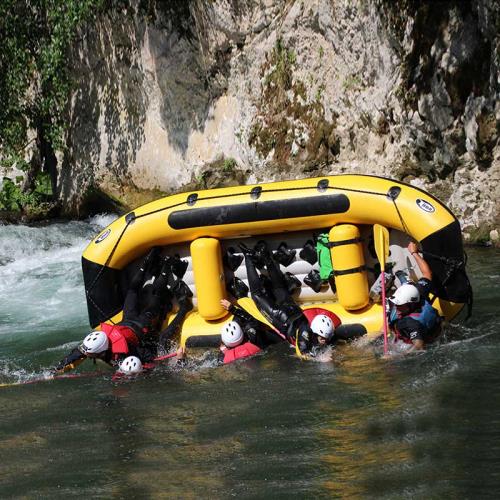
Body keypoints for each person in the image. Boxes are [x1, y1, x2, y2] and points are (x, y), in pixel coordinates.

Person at [54, 249, 192, 374]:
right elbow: (77, 354)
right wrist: (57, 369)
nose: (86, 355)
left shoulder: (127, 352)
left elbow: (152, 358)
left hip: (142, 325)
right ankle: (148, 265)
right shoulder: (99, 343)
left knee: (157, 297)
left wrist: (173, 359)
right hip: (127, 319)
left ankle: (166, 267)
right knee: (132, 292)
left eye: (90, 354)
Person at [238, 241, 315, 354]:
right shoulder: (309, 347)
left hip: (296, 312)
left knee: (279, 287)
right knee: (257, 294)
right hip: (282, 319)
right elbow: (303, 351)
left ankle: (266, 256)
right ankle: (249, 258)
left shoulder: (316, 334)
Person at [387, 241, 441, 351]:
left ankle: (406, 280)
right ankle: (405, 281)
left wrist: (395, 357)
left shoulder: (411, 323)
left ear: (411, 304)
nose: (397, 308)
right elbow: (427, 274)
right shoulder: (419, 291)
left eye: (400, 306)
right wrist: (414, 253)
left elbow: (419, 346)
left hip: (409, 342)